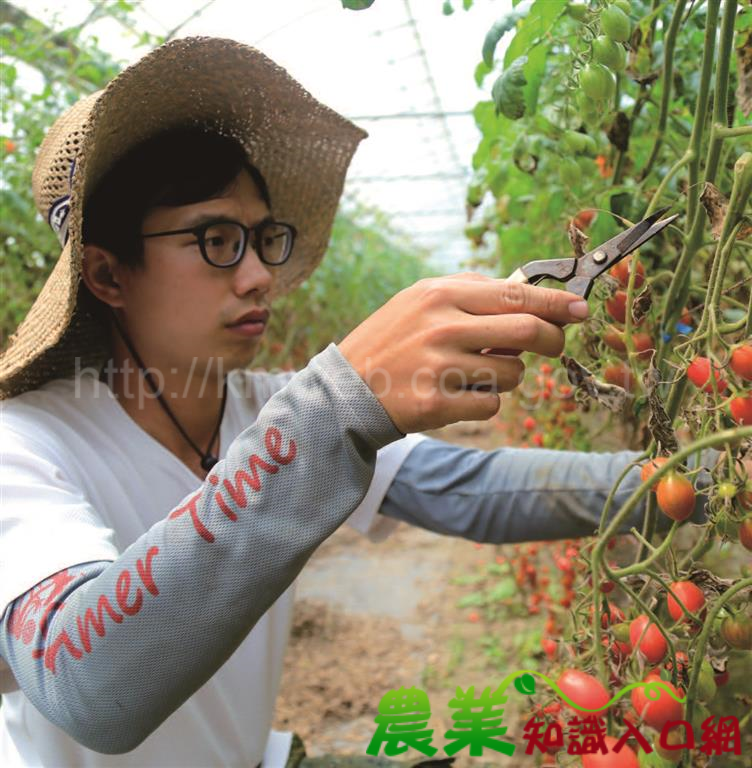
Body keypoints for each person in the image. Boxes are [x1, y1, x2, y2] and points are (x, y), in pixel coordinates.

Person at [0, 37, 725, 768]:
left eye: (263, 238)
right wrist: (338, 400)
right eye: (216, 240)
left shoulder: (258, 405)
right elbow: (86, 685)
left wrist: (700, 480)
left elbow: (464, 489)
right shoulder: (24, 446)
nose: (257, 277)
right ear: (107, 274)